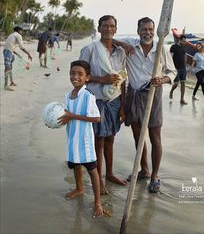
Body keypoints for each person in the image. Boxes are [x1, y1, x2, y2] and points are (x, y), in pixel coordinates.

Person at [114, 17, 176, 193]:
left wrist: (162, 79)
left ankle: (155, 176)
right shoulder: (131, 44)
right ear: (138, 30)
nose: (147, 33)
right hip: (133, 94)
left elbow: (172, 72)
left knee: (155, 137)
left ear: (155, 31)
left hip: (153, 95)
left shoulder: (160, 48)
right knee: (138, 137)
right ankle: (144, 170)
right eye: (144, 29)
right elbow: (108, 39)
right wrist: (123, 45)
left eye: (150, 29)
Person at [79, 15, 127, 194]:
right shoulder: (90, 49)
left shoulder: (121, 52)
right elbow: (80, 76)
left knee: (110, 139)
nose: (108, 29)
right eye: (104, 26)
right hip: (96, 100)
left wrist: (123, 107)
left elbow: (123, 80)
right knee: (98, 141)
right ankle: (98, 179)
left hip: (114, 101)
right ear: (99, 29)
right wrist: (102, 79)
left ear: (115, 29)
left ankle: (110, 174)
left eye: (111, 26)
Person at [58, 60, 103, 218]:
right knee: (75, 164)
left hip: (85, 141)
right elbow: (68, 114)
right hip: (72, 138)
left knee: (92, 170)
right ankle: (79, 188)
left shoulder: (88, 95)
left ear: (87, 78)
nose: (75, 76)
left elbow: (97, 118)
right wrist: (61, 117)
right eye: (72, 73)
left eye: (80, 74)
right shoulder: (68, 95)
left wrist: (72, 116)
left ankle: (97, 202)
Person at [3, 26, 32, 91]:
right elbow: (21, 47)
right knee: (7, 68)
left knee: (10, 67)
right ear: (19, 30)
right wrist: (28, 54)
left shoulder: (11, 35)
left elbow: (10, 46)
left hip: (8, 51)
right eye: (21, 31)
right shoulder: (18, 35)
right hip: (8, 52)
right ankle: (5, 86)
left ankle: (11, 82)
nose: (21, 32)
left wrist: (18, 54)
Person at [169, 34, 188, 104]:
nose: (184, 43)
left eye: (185, 41)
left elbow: (185, 55)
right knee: (176, 83)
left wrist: (185, 66)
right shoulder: (173, 47)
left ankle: (182, 99)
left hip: (183, 68)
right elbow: (170, 57)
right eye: (183, 41)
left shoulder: (184, 47)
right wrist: (172, 68)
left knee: (183, 83)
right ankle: (171, 91)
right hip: (176, 68)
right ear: (179, 40)